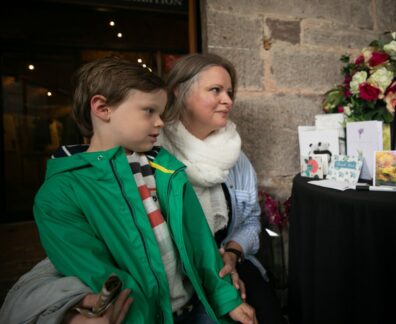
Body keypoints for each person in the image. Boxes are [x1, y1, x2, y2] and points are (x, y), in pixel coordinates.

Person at [0, 57, 255, 323]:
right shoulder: (60, 193)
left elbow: (201, 245)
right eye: (149, 111)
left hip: (191, 307)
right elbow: (95, 271)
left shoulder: (167, 170)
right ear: (102, 108)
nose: (160, 123)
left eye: (161, 113)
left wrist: (228, 299)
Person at [158, 53, 284, 324]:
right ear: (180, 91)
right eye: (215, 90)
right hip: (178, 272)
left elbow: (251, 219)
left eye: (229, 91)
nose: (227, 100)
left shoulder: (235, 157)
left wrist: (233, 252)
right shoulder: (156, 153)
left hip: (229, 262)